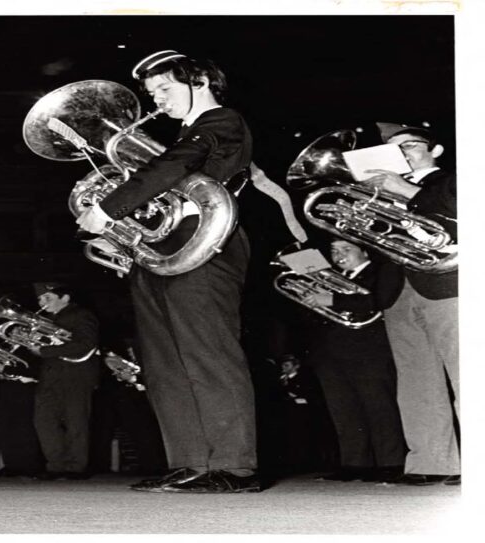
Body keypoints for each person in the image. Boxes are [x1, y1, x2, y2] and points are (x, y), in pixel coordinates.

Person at [76, 49, 258, 492]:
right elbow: (162, 186)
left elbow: (175, 168)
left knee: (208, 353)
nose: (156, 100)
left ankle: (234, 466)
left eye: (165, 88)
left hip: (207, 244)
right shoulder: (180, 139)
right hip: (162, 249)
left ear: (199, 81)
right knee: (164, 362)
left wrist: (109, 208)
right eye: (151, 92)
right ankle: (192, 460)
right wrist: (118, 232)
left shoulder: (222, 122)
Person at [364, 122, 459, 486]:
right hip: (397, 289)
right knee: (416, 382)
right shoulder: (380, 192)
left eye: (411, 145)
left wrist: (402, 190)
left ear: (435, 151)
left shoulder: (452, 180)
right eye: (393, 149)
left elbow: (454, 220)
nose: (402, 154)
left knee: (467, 375)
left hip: (447, 284)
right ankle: (432, 463)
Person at [299, 240, 406, 482]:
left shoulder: (377, 272)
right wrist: (309, 299)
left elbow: (377, 301)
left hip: (368, 350)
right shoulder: (328, 278)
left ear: (364, 251)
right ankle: (355, 464)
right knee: (343, 409)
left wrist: (331, 300)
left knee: (378, 406)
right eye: (334, 251)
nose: (339, 255)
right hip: (329, 351)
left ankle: (391, 463)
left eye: (347, 249)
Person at [24, 282, 100, 480]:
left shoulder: (81, 314)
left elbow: (85, 344)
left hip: (76, 375)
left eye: (47, 298)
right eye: (40, 299)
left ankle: (76, 468)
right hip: (49, 377)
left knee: (76, 421)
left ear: (65, 298)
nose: (42, 302)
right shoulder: (44, 320)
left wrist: (45, 350)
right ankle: (55, 466)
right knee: (44, 421)